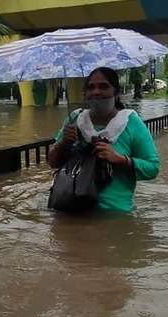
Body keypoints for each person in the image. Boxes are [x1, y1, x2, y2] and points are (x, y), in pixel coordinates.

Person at [46, 67, 160, 213]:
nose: (96, 92)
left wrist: (120, 160)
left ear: (116, 92)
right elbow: (52, 162)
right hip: (71, 211)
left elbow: (153, 168)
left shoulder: (131, 122)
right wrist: (63, 144)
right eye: (91, 87)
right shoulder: (74, 119)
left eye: (104, 86)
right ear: (85, 93)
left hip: (114, 217)